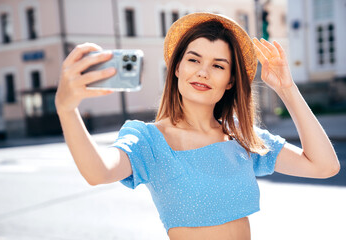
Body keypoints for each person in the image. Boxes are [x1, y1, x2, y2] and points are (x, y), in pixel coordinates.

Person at [55, 12, 340, 240]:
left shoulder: (242, 137)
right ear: (177, 68)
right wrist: (67, 109)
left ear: (230, 81)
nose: (203, 71)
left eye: (218, 65)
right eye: (193, 59)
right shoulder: (149, 140)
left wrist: (288, 90)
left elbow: (324, 167)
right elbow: (98, 172)